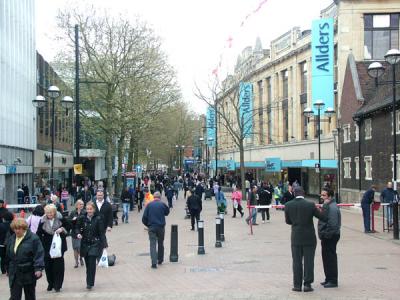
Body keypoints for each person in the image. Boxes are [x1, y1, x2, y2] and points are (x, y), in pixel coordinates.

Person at [284, 186, 327, 292]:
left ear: (294, 194)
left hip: (296, 237)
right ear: (303, 194)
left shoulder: (288, 205)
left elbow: (288, 221)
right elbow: (322, 217)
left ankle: (297, 285)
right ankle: (307, 284)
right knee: (309, 261)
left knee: (297, 262)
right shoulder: (310, 204)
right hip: (309, 237)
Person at [5, 218, 44, 300]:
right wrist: (7, 268)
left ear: (24, 228)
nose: (17, 231)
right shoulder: (11, 239)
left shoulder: (34, 238)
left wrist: (38, 268)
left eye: (19, 229)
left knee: (30, 296)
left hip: (28, 272)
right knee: (14, 297)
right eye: (15, 229)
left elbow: (39, 254)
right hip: (15, 272)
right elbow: (8, 255)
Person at [36, 204, 70, 292]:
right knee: (48, 266)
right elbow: (38, 233)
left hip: (59, 245)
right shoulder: (42, 221)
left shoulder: (60, 219)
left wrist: (62, 229)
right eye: (47, 212)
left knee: (58, 266)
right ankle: (50, 283)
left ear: (54, 212)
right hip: (47, 246)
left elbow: (69, 226)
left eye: (51, 212)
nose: (49, 214)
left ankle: (57, 285)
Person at [76, 201, 107, 290]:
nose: (89, 211)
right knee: (87, 264)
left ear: (94, 209)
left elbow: (101, 232)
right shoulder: (82, 218)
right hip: (85, 243)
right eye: (88, 209)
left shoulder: (98, 218)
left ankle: (90, 283)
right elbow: (77, 228)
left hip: (95, 243)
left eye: (91, 209)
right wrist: (78, 233)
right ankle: (89, 280)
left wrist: (104, 243)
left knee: (92, 263)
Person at [318, 188, 341, 288]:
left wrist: (325, 234)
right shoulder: (327, 206)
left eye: (324, 195)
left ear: (330, 196)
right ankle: (328, 278)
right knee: (326, 258)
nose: (322, 197)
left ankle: (333, 280)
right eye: (321, 195)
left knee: (330, 258)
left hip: (330, 236)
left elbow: (333, 224)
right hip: (327, 235)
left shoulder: (332, 207)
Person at [142, 191, 170, 269]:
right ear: (160, 197)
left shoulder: (149, 205)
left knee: (153, 244)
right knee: (161, 243)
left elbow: (144, 218)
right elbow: (167, 212)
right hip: (161, 227)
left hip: (152, 227)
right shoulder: (162, 204)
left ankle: (154, 262)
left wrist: (148, 225)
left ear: (153, 197)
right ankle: (160, 259)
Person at [68, 200, 85, 268]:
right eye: (80, 204)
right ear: (77, 205)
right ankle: (76, 262)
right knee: (75, 248)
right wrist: (72, 220)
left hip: (82, 232)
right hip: (74, 232)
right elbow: (68, 221)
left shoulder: (84, 212)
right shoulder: (73, 212)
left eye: (83, 204)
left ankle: (81, 258)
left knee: (80, 247)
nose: (82, 206)